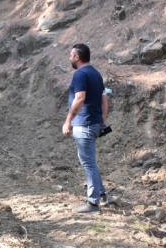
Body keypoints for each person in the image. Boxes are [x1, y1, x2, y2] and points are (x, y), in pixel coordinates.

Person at [62, 43, 109, 214]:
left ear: (77, 57)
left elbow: (80, 98)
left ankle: (93, 203)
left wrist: (68, 121)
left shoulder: (80, 74)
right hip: (94, 122)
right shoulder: (96, 74)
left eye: (70, 55)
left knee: (88, 163)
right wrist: (102, 119)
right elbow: (105, 99)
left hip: (84, 123)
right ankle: (102, 194)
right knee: (90, 161)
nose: (69, 58)